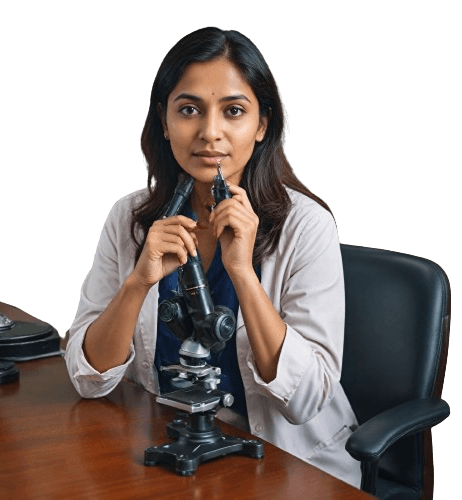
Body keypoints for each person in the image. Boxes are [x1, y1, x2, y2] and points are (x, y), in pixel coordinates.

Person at [65, 26, 361, 487]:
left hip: (286, 465)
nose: (209, 133)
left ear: (262, 125)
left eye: (234, 111)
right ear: (164, 122)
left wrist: (242, 273)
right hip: (169, 456)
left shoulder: (308, 225)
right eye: (188, 110)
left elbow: (306, 400)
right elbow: (89, 379)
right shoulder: (129, 217)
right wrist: (138, 282)